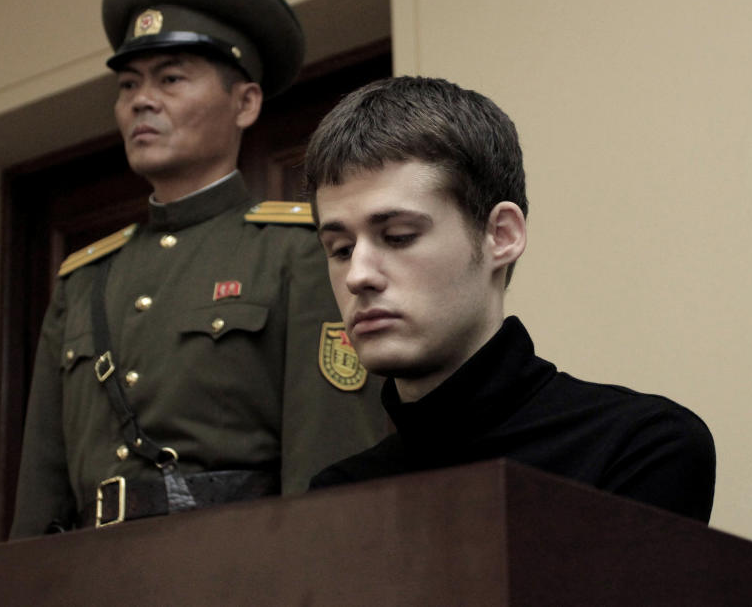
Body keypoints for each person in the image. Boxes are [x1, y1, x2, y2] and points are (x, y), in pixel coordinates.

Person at [11, 0, 387, 536]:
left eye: (171, 78)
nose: (141, 99)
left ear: (245, 103)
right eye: (129, 83)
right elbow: (41, 484)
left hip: (235, 567)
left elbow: (330, 449)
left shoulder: (299, 250)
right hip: (86, 574)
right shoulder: (84, 278)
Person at [304, 76, 716, 522]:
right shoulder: (337, 496)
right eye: (341, 250)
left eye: (398, 237)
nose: (358, 276)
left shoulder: (638, 445)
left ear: (501, 236)